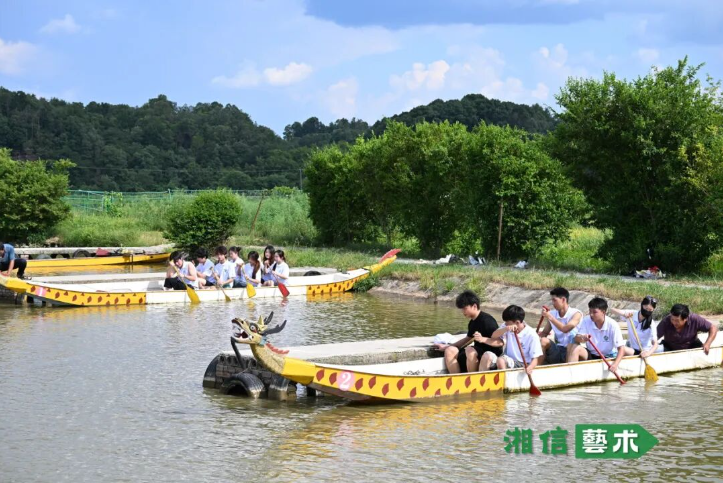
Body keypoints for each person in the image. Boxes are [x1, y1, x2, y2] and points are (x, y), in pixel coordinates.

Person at [433, 290, 503, 373]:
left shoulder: (487, 321)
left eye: (465, 308)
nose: (463, 312)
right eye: (462, 309)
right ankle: (457, 377)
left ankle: (471, 378)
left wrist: (483, 339)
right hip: (477, 352)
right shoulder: (472, 322)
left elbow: (500, 342)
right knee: (450, 350)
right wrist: (447, 347)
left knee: (470, 350)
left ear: (474, 306)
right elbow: (467, 339)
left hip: (489, 354)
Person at [567, 297, 626, 374]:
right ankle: (570, 373)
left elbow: (621, 349)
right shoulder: (586, 320)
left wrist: (615, 364)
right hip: (591, 354)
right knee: (574, 347)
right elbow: (577, 338)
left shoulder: (613, 325)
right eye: (590, 311)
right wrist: (582, 338)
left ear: (603, 312)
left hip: (607, 356)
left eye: (594, 312)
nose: (591, 315)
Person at [486, 305, 543, 373]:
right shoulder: (507, 326)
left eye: (507, 324)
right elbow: (493, 336)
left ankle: (505, 378)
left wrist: (530, 368)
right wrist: (505, 329)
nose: (506, 324)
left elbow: (535, 359)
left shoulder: (532, 335)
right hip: (507, 359)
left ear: (517, 322)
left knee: (501, 360)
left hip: (522, 363)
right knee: (486, 356)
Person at [538, 287, 582, 364]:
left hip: (571, 349)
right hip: (557, 349)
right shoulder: (552, 313)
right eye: (552, 300)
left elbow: (565, 329)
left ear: (563, 300)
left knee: (571, 346)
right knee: (543, 340)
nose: (552, 303)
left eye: (554, 300)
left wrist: (550, 317)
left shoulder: (576, 314)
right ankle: (536, 367)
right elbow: (545, 333)